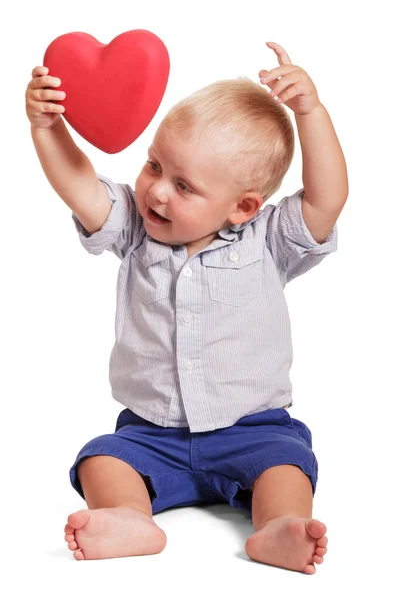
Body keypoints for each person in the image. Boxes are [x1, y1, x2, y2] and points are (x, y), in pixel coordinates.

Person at [26, 41, 348, 574]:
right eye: (155, 165)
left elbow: (326, 199)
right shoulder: (133, 230)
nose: (156, 193)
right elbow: (81, 185)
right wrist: (46, 127)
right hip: (150, 431)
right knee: (99, 459)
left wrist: (310, 113)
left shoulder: (268, 241)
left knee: (289, 466)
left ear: (242, 207)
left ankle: (277, 527)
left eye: (184, 186)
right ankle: (130, 518)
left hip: (254, 428)